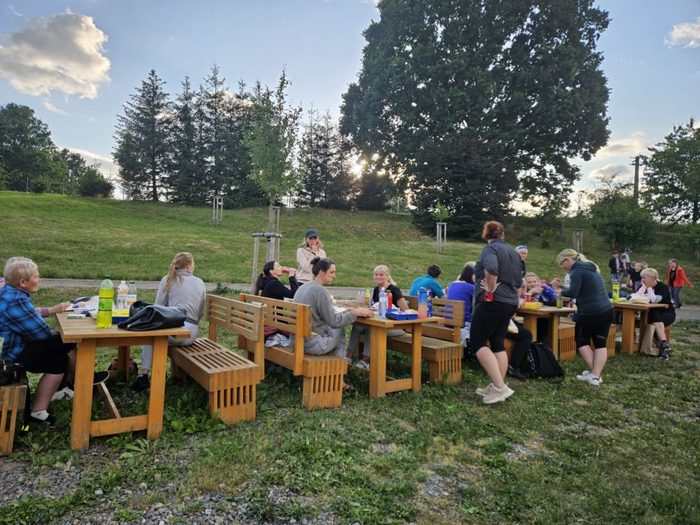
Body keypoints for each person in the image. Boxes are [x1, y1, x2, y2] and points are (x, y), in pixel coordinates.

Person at [0, 258, 76, 426]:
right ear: (23, 282)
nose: (39, 279)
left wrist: (51, 310)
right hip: (11, 357)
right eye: (36, 276)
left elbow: (27, 312)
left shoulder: (6, 289)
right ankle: (80, 381)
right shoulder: (15, 299)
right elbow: (41, 334)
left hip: (12, 349)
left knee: (59, 360)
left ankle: (38, 412)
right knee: (68, 340)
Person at [293, 258, 372, 391]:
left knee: (334, 331)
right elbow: (335, 322)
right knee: (339, 330)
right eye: (331, 272)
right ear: (321, 272)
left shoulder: (304, 287)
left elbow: (324, 315)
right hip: (311, 345)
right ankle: (339, 379)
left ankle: (338, 369)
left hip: (297, 341)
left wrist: (346, 312)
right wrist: (356, 313)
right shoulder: (320, 291)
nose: (334, 275)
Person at [132, 252, 206, 391]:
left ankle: (144, 375)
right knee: (156, 335)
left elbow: (157, 307)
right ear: (189, 266)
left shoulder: (168, 280)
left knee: (150, 335)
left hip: (175, 331)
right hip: (191, 334)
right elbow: (200, 311)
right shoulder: (200, 282)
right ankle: (156, 373)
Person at [471, 221, 522, 404]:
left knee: (477, 342)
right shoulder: (513, 252)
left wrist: (491, 289)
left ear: (486, 234)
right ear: (502, 234)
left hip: (492, 301)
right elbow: (519, 280)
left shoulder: (490, 249)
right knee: (497, 342)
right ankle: (497, 384)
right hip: (510, 302)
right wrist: (515, 300)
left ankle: (500, 387)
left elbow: (491, 268)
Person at [558, 249, 613, 387]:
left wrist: (559, 291)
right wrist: (562, 286)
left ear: (567, 260)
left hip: (590, 312)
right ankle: (595, 375)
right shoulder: (590, 268)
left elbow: (573, 292)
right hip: (606, 309)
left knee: (581, 340)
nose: (563, 267)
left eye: (562, 264)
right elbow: (583, 288)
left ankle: (595, 375)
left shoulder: (576, 271)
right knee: (600, 343)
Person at [348, 265, 407, 368]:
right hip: (380, 323)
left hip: (396, 327)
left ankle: (366, 361)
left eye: (381, 275)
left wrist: (392, 312)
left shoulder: (393, 290)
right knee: (357, 326)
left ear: (387, 276)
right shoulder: (376, 289)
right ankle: (348, 356)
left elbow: (406, 309)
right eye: (376, 275)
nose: (378, 277)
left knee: (371, 328)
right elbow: (374, 307)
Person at [632, 268, 675, 361]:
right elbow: (635, 297)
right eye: (642, 277)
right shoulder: (643, 286)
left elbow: (654, 300)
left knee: (654, 318)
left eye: (644, 277)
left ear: (653, 278)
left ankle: (662, 346)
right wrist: (644, 288)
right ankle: (664, 345)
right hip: (651, 313)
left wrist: (649, 288)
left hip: (666, 313)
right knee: (653, 313)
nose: (642, 280)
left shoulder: (662, 287)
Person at [446, 263, 475, 345]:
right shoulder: (471, 288)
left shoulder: (451, 284)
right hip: (463, 323)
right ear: (471, 275)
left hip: (448, 321)